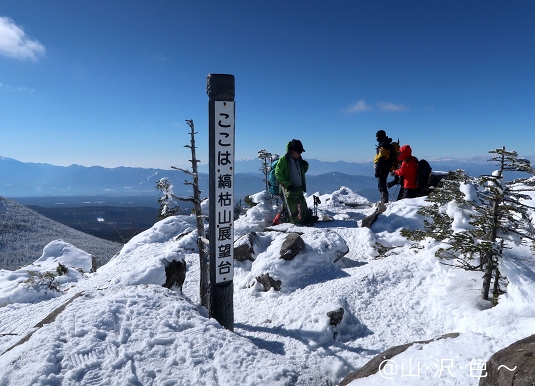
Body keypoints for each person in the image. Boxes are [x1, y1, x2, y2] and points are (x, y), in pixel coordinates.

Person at [275, 139, 317, 225]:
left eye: (301, 152)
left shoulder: (298, 159)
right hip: (289, 188)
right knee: (290, 204)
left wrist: (305, 165)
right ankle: (288, 219)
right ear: (292, 150)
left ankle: (303, 217)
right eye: (298, 152)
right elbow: (278, 173)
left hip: (298, 187)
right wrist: (287, 184)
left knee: (301, 202)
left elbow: (302, 171)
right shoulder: (284, 160)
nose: (299, 154)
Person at [373, 130, 394, 204]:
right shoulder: (386, 144)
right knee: (382, 184)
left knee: (381, 185)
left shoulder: (383, 145)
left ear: (379, 136)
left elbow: (381, 158)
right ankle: (384, 201)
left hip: (383, 167)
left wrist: (377, 170)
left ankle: (384, 202)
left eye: (377, 136)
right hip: (386, 166)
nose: (376, 138)